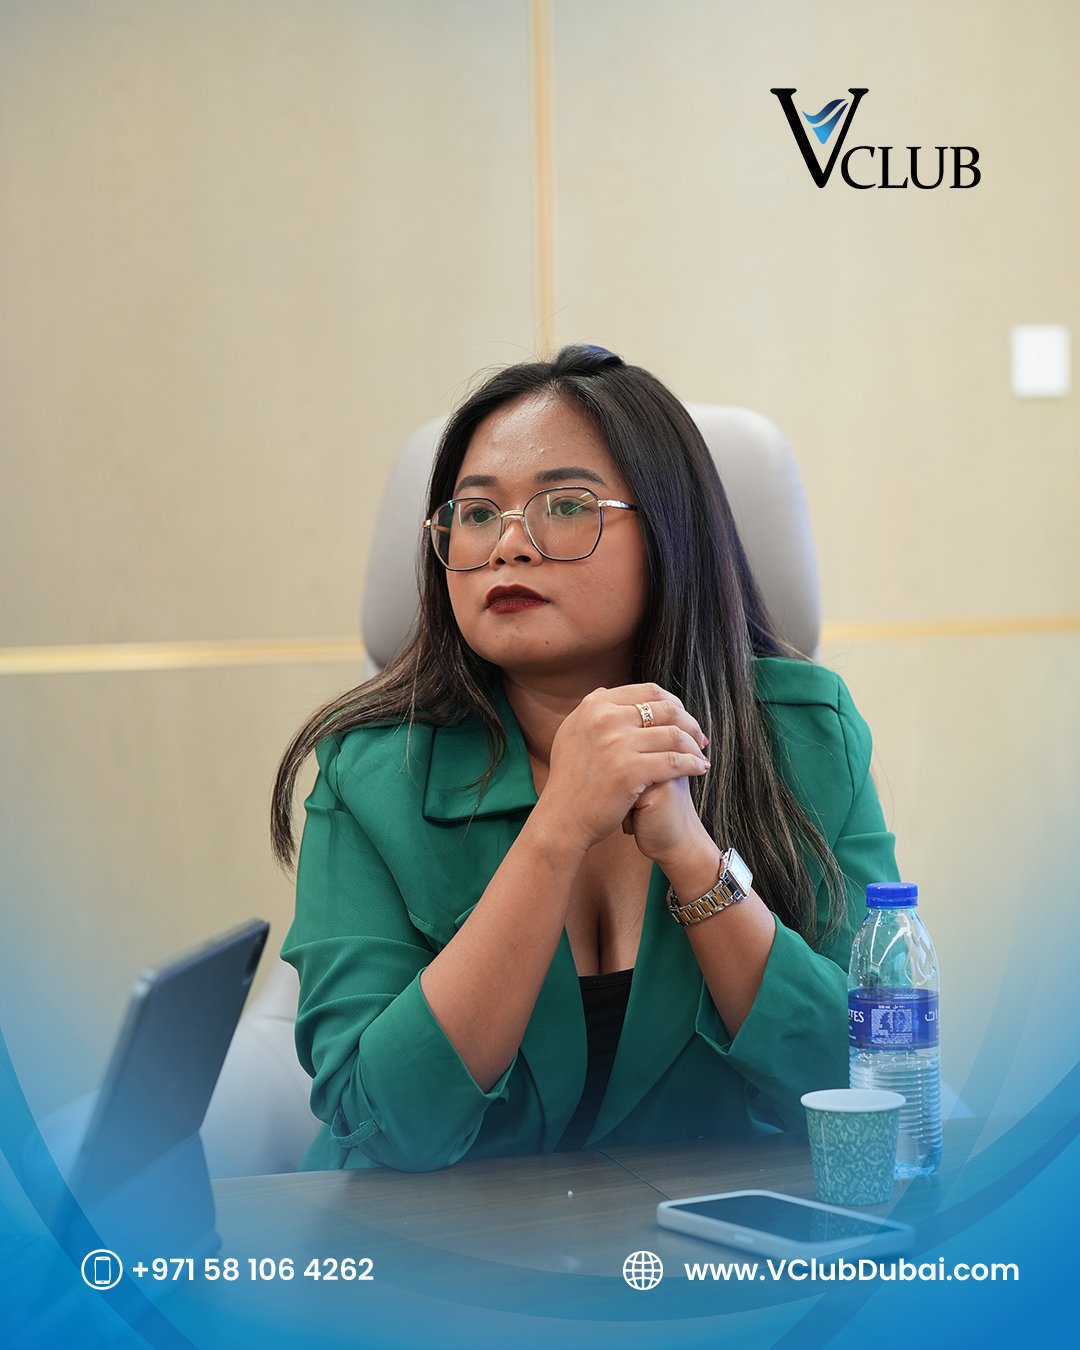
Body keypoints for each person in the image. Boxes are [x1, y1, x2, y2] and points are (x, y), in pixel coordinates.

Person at [270, 344, 899, 1172]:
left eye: (565, 506)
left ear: (670, 531)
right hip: (439, 1242)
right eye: (476, 513)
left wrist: (693, 859)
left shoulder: (804, 735)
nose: (508, 545)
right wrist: (555, 832)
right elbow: (382, 1124)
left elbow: (869, 1081)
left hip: (715, 1234)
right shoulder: (372, 771)